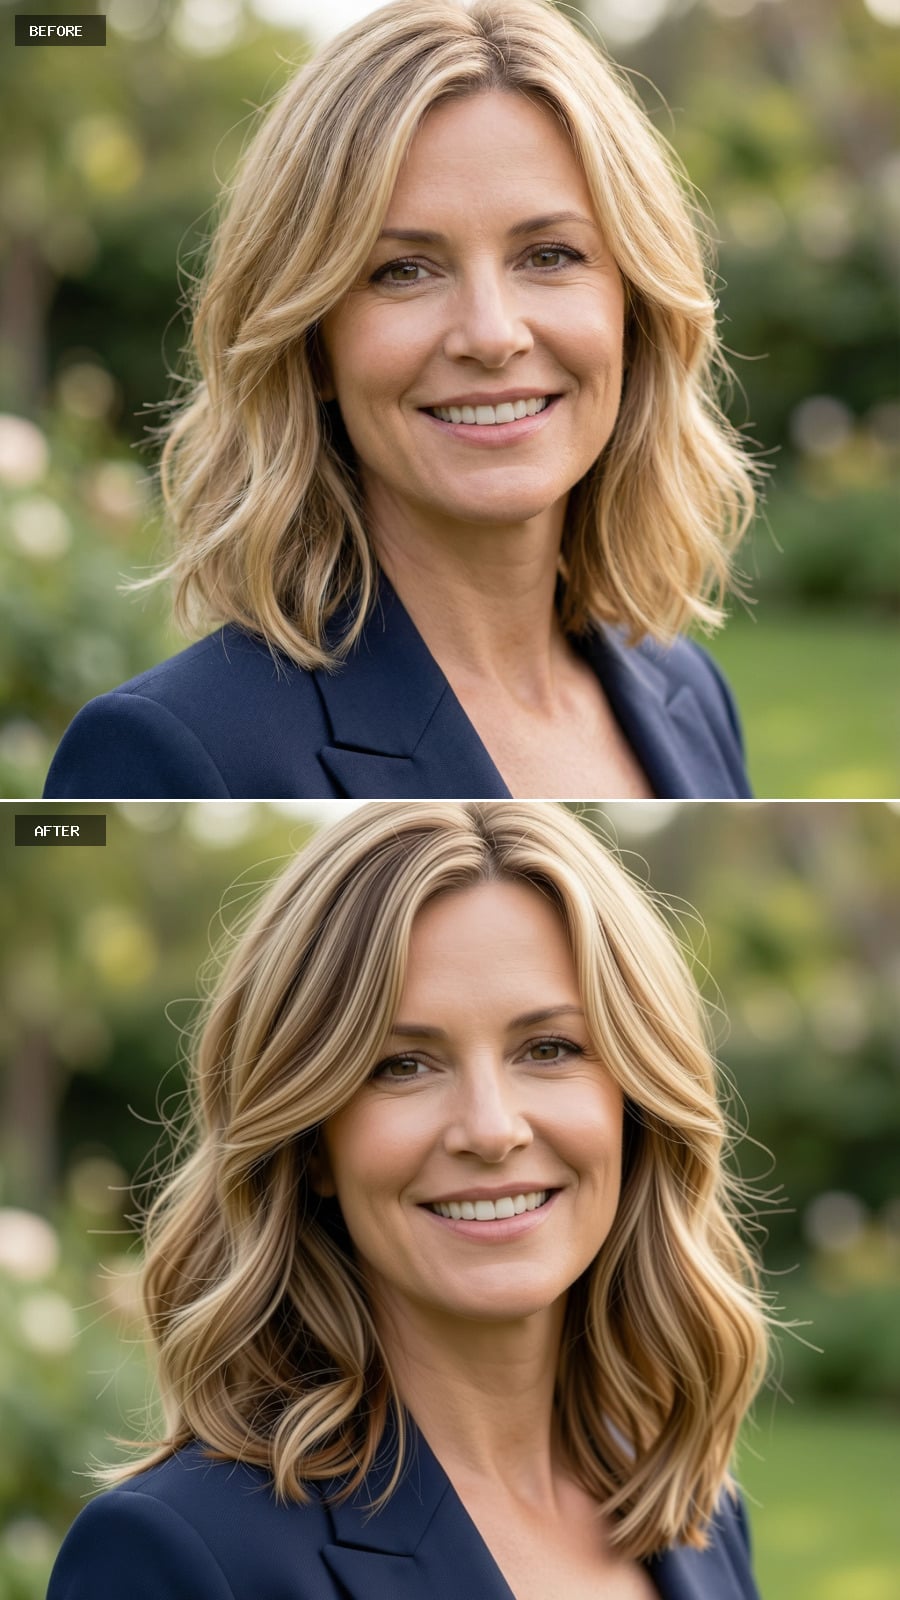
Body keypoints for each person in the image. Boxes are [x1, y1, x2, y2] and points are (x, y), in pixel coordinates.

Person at [44, 0, 763, 803]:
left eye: (549, 254)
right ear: (311, 341)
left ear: (634, 309)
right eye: (403, 271)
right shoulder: (170, 751)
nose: (491, 335)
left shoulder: (690, 694)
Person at [48, 800, 770, 1599]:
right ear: (312, 1139)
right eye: (402, 1065)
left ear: (636, 1107)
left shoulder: (698, 1509)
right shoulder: (181, 1554)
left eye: (550, 1048)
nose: (491, 1131)